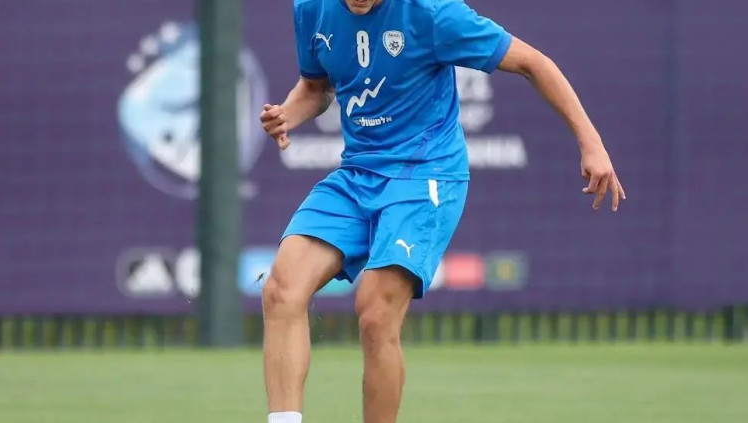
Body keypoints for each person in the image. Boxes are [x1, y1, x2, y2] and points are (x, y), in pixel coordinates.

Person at [259, 0, 625, 422]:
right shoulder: (312, 8)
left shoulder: (432, 12)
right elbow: (315, 88)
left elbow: (533, 63)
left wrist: (591, 143)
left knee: (376, 311)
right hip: (358, 172)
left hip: (424, 175)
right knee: (282, 288)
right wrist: (287, 115)